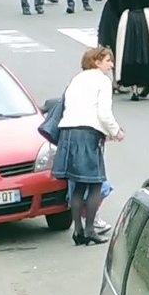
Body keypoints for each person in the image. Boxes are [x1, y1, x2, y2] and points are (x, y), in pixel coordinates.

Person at [53, 47, 124, 246]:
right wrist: (115, 131)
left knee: (77, 185)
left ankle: (78, 230)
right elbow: (103, 113)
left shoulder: (77, 79)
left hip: (68, 133)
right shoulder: (102, 81)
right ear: (96, 61)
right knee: (94, 183)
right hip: (87, 134)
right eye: (108, 60)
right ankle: (90, 229)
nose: (111, 65)